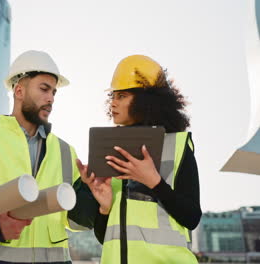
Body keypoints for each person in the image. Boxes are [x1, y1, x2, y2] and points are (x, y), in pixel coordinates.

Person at [0, 50, 84, 263]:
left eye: (54, 92)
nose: (50, 99)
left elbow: (75, 220)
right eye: (44, 89)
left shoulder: (66, 151)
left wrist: (97, 202)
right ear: (19, 90)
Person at [68, 54, 202, 264]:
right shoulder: (110, 151)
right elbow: (106, 238)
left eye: (122, 96)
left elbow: (192, 217)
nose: (113, 103)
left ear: (145, 101)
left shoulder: (177, 146)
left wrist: (155, 183)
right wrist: (104, 209)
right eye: (112, 96)